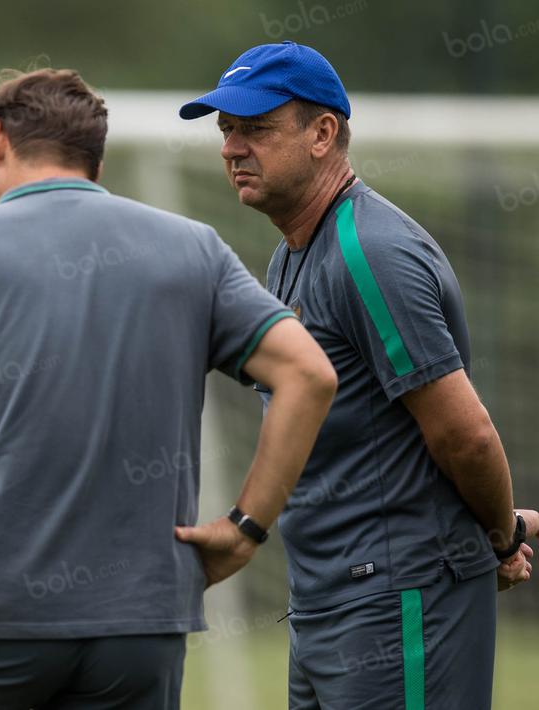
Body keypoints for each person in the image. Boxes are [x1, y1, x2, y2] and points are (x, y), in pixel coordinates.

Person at [0, 68, 338, 710]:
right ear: (96, 164)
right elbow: (309, 374)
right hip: (143, 627)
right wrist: (246, 528)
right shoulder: (194, 247)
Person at [179, 40, 539, 709]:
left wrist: (501, 537)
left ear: (322, 134)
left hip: (399, 601)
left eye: (255, 128)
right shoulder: (292, 252)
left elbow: (464, 436)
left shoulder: (369, 252)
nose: (231, 148)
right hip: (327, 604)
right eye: (225, 130)